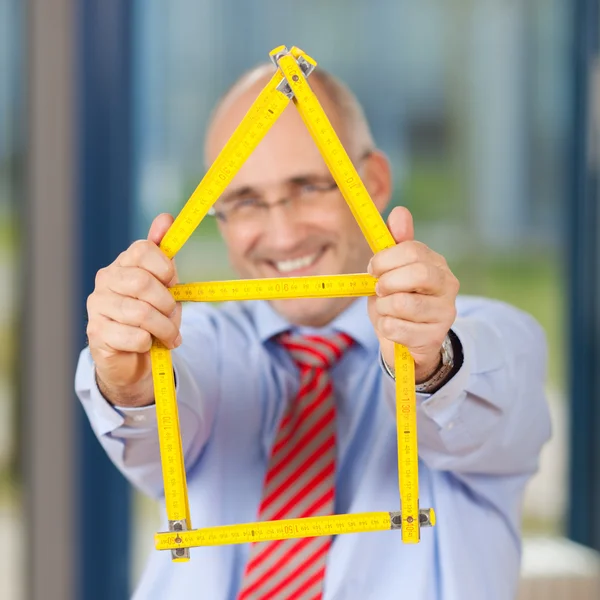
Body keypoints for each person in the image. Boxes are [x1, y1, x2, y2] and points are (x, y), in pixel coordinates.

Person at [75, 62, 551, 600]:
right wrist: (127, 376)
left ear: (372, 182)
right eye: (244, 200)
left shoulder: (488, 335)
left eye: (308, 186)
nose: (283, 233)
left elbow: (484, 398)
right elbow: (147, 428)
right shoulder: (196, 340)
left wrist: (431, 360)